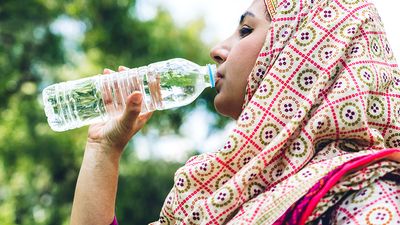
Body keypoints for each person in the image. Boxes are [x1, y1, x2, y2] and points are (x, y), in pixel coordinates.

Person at [70, 0, 400, 224]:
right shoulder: (226, 191)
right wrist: (104, 150)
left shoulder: (365, 195)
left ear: (301, 52)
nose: (217, 50)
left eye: (245, 30)